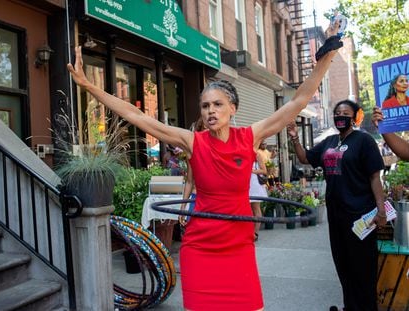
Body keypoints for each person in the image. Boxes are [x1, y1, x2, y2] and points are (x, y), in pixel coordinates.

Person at [67, 21, 340, 310]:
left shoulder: (249, 137)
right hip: (201, 246)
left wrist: (329, 54)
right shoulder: (193, 141)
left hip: (238, 245)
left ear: (232, 108)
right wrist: (87, 85)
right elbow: (139, 118)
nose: (211, 111)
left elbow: (298, 100)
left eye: (218, 104)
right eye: (205, 106)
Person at [287, 100, 387, 311]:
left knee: (363, 267)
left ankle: (366, 308)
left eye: (345, 113)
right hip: (337, 215)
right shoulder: (328, 142)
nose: (340, 116)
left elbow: (374, 177)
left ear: (355, 117)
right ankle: (350, 306)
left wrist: (381, 210)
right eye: (337, 113)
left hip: (361, 216)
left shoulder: (364, 141)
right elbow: (305, 158)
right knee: (343, 265)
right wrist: (295, 137)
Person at [250, 152, 268, 241]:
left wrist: (252, 170)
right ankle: (249, 231)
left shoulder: (257, 154)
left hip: (255, 185)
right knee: (248, 209)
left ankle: (255, 232)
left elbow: (264, 170)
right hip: (246, 184)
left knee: (256, 208)